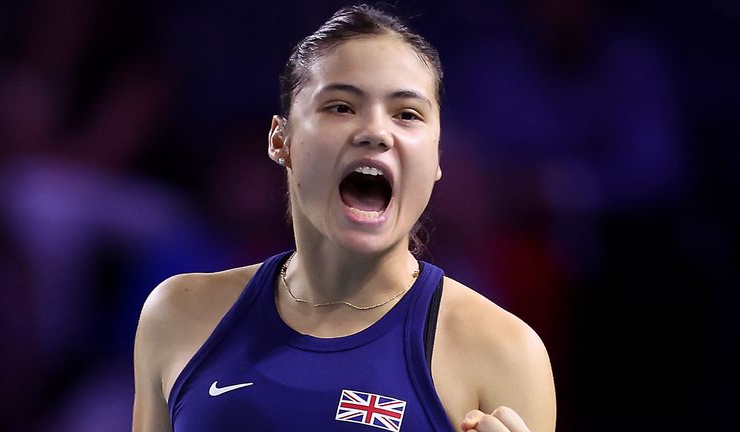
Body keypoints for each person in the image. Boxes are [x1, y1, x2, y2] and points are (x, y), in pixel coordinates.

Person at [132, 5, 556, 432]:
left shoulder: (504, 352)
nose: (375, 131)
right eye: (340, 107)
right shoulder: (178, 316)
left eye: (407, 114)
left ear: (436, 158)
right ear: (282, 141)